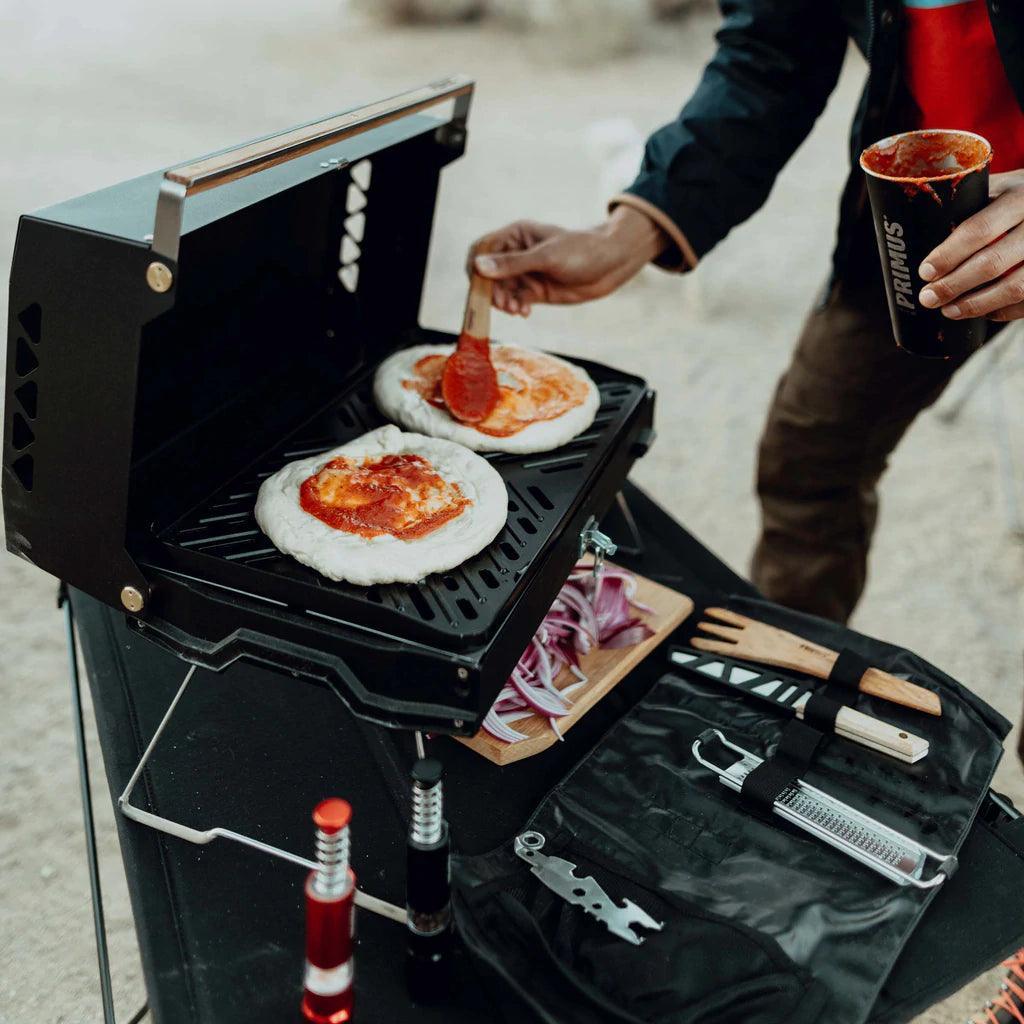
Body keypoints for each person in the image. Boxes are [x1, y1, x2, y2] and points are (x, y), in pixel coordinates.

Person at [467, 1, 1024, 1018]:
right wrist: (631, 227)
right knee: (809, 456)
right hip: (922, 212)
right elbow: (775, 41)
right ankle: (785, 715)